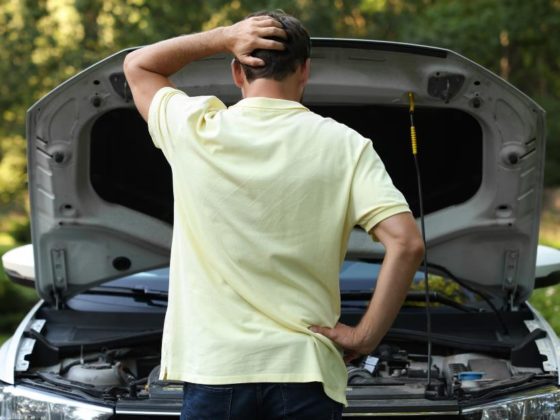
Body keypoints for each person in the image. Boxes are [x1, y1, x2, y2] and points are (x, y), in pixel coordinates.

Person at [124, 10, 424, 420]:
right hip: (306, 371)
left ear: (237, 71)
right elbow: (406, 243)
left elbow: (138, 65)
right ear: (305, 71)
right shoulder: (346, 146)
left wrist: (224, 35)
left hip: (216, 370)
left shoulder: (195, 129)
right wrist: (366, 335)